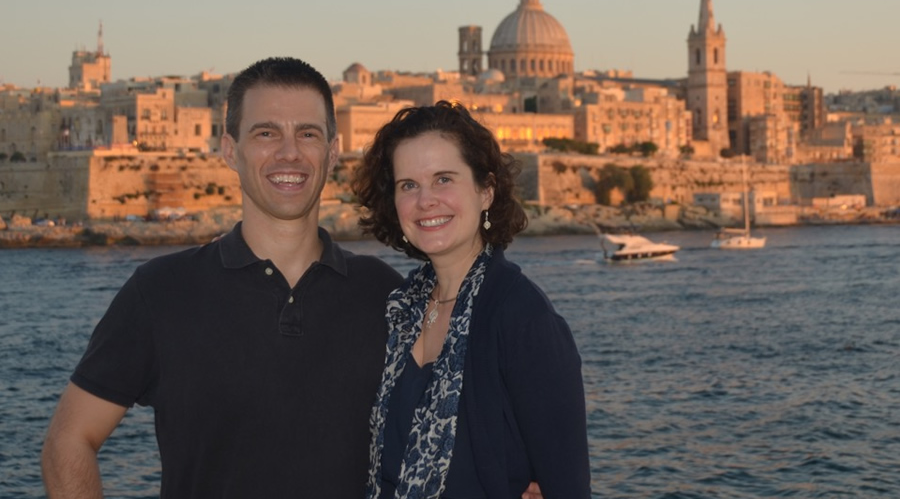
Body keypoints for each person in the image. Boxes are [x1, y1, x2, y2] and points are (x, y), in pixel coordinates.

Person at [40, 57, 404, 498]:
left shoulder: (384, 293)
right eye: (266, 133)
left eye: (307, 134)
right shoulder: (161, 291)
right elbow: (69, 440)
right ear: (229, 150)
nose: (289, 152)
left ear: (332, 151)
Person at [352, 101, 591, 498]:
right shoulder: (401, 311)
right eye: (408, 185)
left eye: (444, 179)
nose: (425, 200)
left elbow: (567, 485)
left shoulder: (521, 317)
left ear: (486, 191)